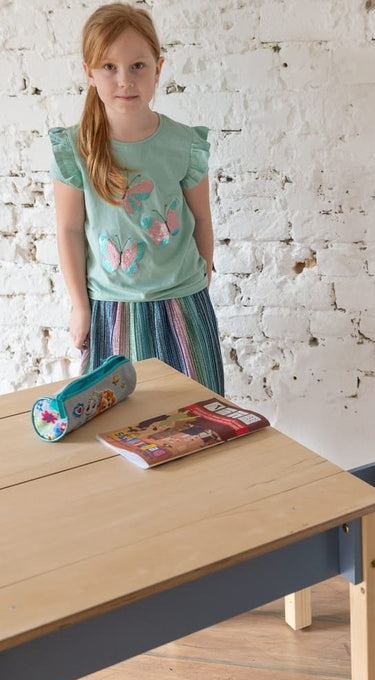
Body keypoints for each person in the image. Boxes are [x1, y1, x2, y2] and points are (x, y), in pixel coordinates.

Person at [49, 2, 224, 395]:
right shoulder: (76, 148)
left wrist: (202, 280)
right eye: (109, 67)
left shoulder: (184, 144)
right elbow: (69, 230)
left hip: (184, 305)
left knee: (197, 418)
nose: (125, 79)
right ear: (89, 73)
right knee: (122, 428)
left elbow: (201, 219)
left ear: (158, 69)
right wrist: (81, 307)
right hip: (112, 312)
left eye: (138, 66)